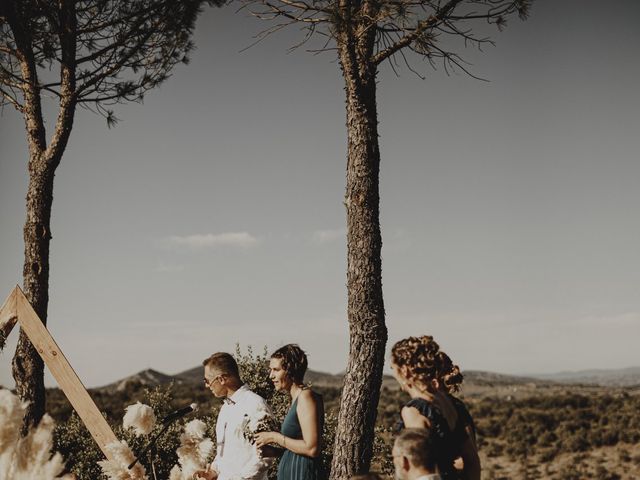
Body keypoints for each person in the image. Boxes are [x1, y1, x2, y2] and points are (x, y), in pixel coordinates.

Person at [391, 336, 480, 480]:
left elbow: (419, 467)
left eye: (393, 368)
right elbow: (471, 460)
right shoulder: (450, 404)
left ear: (405, 370)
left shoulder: (415, 410)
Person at [194, 352, 273, 480]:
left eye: (207, 380)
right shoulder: (225, 409)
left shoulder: (255, 404)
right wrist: (213, 471)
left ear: (222, 379)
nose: (206, 385)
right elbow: (224, 454)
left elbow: (265, 457)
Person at [254, 344, 325, 480]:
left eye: (276, 370)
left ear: (290, 371)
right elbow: (299, 448)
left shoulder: (306, 397)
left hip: (302, 474)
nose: (271, 376)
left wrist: (274, 437)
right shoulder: (295, 399)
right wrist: (275, 451)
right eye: (271, 370)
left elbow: (312, 448)